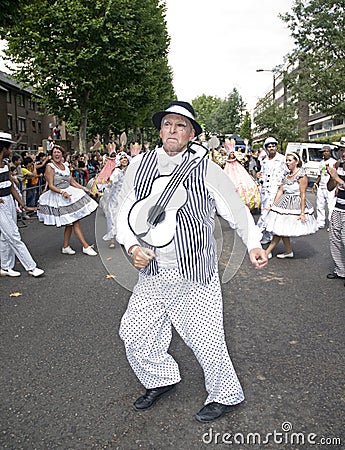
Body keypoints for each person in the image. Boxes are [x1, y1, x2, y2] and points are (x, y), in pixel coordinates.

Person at [116, 101, 267, 423]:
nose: (173, 130)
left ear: (191, 134)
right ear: (159, 131)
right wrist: (131, 247)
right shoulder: (138, 166)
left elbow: (236, 212)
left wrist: (253, 244)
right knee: (135, 332)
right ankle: (161, 378)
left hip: (194, 272)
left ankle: (225, 394)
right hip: (153, 270)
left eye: (181, 125)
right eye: (168, 124)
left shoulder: (208, 169)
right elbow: (123, 213)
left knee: (205, 337)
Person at [37, 145, 98, 256]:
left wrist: (86, 189)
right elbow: (50, 185)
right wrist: (62, 192)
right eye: (55, 152)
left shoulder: (65, 166)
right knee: (75, 220)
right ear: (51, 155)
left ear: (62, 154)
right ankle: (85, 246)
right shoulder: (50, 167)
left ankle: (65, 246)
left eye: (59, 152)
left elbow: (73, 182)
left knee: (70, 223)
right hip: (59, 195)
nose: (57, 154)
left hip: (69, 193)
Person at [0, 132, 44, 277]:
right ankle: (31, 267)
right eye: (9, 147)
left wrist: (22, 204)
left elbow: (11, 186)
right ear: (3, 148)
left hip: (9, 201)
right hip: (0, 204)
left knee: (5, 236)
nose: (11, 150)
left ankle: (5, 266)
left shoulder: (5, 165)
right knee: (13, 235)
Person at [264, 152, 318, 258]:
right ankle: (288, 251)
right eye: (286, 160)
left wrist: (302, 212)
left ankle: (266, 252)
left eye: (290, 160)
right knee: (282, 228)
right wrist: (273, 205)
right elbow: (280, 191)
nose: (287, 163)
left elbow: (303, 195)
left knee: (280, 229)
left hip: (295, 205)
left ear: (296, 161)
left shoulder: (302, 175)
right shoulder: (286, 175)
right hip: (284, 203)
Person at [256, 137, 287, 244]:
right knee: (266, 213)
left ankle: (255, 235)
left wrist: (284, 185)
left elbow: (288, 173)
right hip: (265, 190)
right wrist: (259, 177)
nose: (271, 148)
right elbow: (262, 173)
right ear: (266, 148)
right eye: (269, 147)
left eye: (273, 146)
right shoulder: (264, 160)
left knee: (266, 214)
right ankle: (267, 236)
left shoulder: (282, 159)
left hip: (276, 190)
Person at [326, 140, 345, 285]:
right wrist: (333, 177)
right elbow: (330, 187)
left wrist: (337, 178)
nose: (343, 154)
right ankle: (341, 270)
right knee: (335, 239)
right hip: (338, 208)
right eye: (341, 150)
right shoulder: (339, 166)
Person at [102, 151, 130, 248]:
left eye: (125, 158)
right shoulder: (117, 171)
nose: (124, 160)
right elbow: (113, 180)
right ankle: (112, 240)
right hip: (115, 198)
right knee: (113, 218)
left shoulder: (130, 170)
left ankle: (123, 238)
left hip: (126, 198)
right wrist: (110, 182)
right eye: (121, 159)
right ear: (119, 161)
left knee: (125, 218)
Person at [223, 147, 260, 211]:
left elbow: (244, 155)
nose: (232, 154)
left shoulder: (237, 160)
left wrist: (246, 146)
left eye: (233, 152)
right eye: (231, 153)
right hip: (229, 174)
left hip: (240, 173)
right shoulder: (225, 161)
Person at [311, 145, 337, 229]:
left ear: (330, 152)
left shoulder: (334, 162)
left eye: (327, 151)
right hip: (321, 187)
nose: (325, 153)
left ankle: (332, 224)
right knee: (320, 205)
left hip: (330, 187)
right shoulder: (321, 162)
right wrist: (315, 184)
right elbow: (320, 175)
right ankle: (320, 222)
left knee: (331, 206)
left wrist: (337, 188)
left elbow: (336, 176)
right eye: (323, 151)